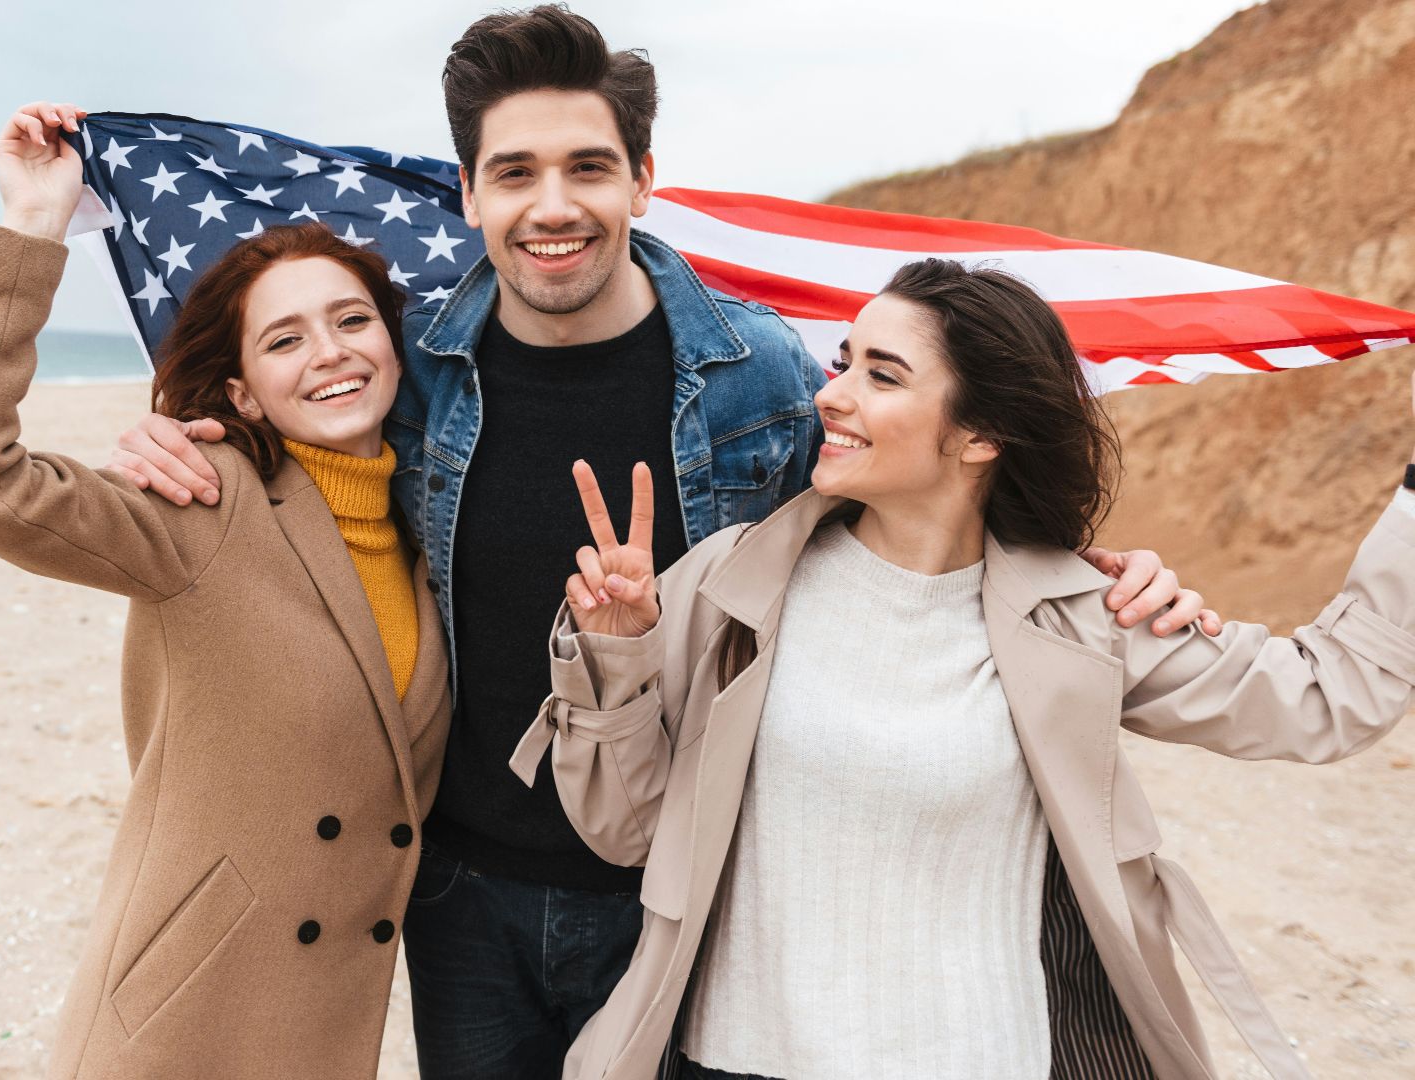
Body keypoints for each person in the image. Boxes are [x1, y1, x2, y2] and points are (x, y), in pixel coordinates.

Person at [104, 8, 1214, 1076]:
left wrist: (1091, 569)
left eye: (588, 167)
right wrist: (177, 431)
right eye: (515, 172)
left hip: (693, 891)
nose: (554, 205)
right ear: (468, 192)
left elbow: (920, 531)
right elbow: (303, 450)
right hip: (457, 896)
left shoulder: (766, 376)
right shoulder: (416, 370)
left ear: (642, 179)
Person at [525, 258, 1415, 1080]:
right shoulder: (732, 582)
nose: (831, 395)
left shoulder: (1088, 615)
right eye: (842, 362)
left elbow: (1328, 698)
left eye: (882, 374)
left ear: (981, 433)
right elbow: (624, 833)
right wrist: (616, 651)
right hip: (737, 1064)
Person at [0, 102, 451, 1079]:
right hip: (184, 1029)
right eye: (282, 340)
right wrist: (33, 223)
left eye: (352, 319)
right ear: (240, 392)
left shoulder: (430, 532)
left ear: (393, 347)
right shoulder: (201, 500)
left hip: (327, 1038)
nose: (328, 351)